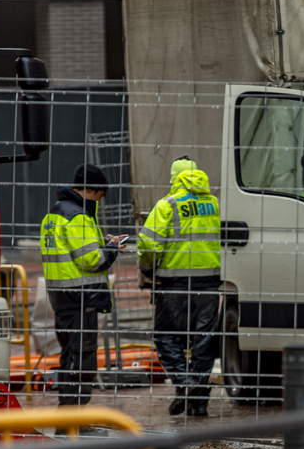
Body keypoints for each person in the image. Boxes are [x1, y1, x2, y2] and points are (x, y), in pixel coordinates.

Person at [40, 164, 127, 417]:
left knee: (69, 358)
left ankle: (69, 417)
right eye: (100, 196)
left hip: (61, 298)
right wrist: (111, 249)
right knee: (83, 359)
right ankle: (72, 419)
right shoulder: (78, 216)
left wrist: (104, 244)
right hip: (81, 298)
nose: (99, 202)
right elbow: (92, 260)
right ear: (92, 190)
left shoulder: (54, 214)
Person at [138, 156, 223, 417]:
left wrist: (148, 268)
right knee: (203, 342)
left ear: (174, 179)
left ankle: (186, 385)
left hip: (174, 283)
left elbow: (148, 244)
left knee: (165, 337)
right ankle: (197, 399)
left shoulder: (168, 205)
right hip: (209, 282)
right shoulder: (213, 203)